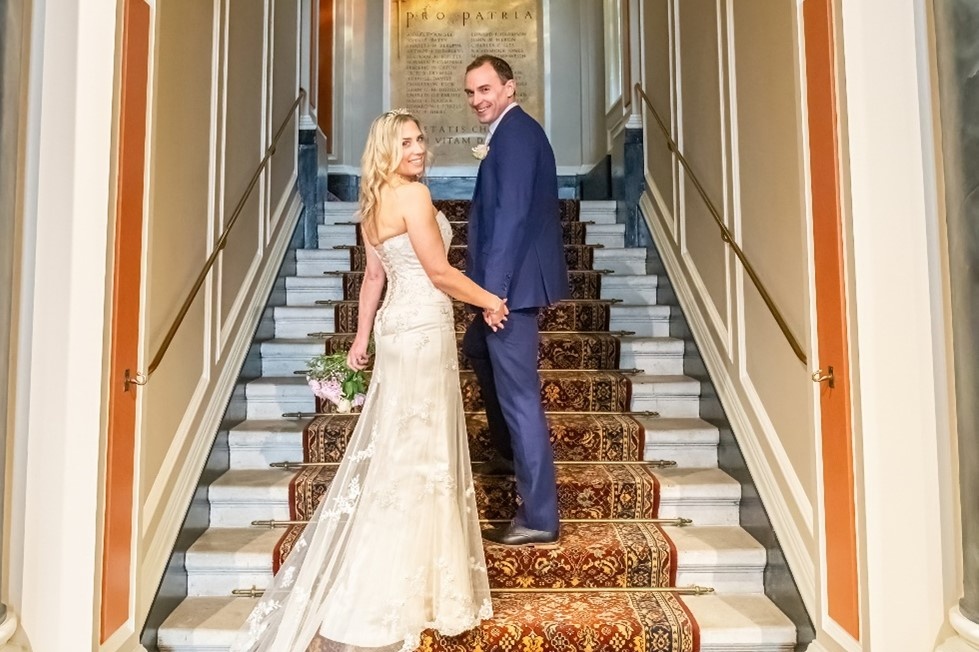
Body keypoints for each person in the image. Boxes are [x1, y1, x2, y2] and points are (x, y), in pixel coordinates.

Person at [232, 109, 507, 652]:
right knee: (422, 449)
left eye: (421, 139)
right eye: (406, 142)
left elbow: (373, 280)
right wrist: (489, 301)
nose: (419, 149)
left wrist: (361, 340)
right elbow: (438, 272)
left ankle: (406, 567)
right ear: (387, 148)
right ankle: (421, 581)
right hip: (424, 326)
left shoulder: (372, 204)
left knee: (402, 447)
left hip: (396, 330)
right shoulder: (414, 198)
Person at [461, 55, 570, 549]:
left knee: (522, 399)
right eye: (471, 92)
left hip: (512, 289)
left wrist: (493, 294)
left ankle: (540, 516)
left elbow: (511, 220)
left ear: (509, 87)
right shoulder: (509, 133)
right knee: (477, 351)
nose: (478, 99)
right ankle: (506, 449)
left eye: (486, 89)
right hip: (508, 282)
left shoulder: (517, 135)